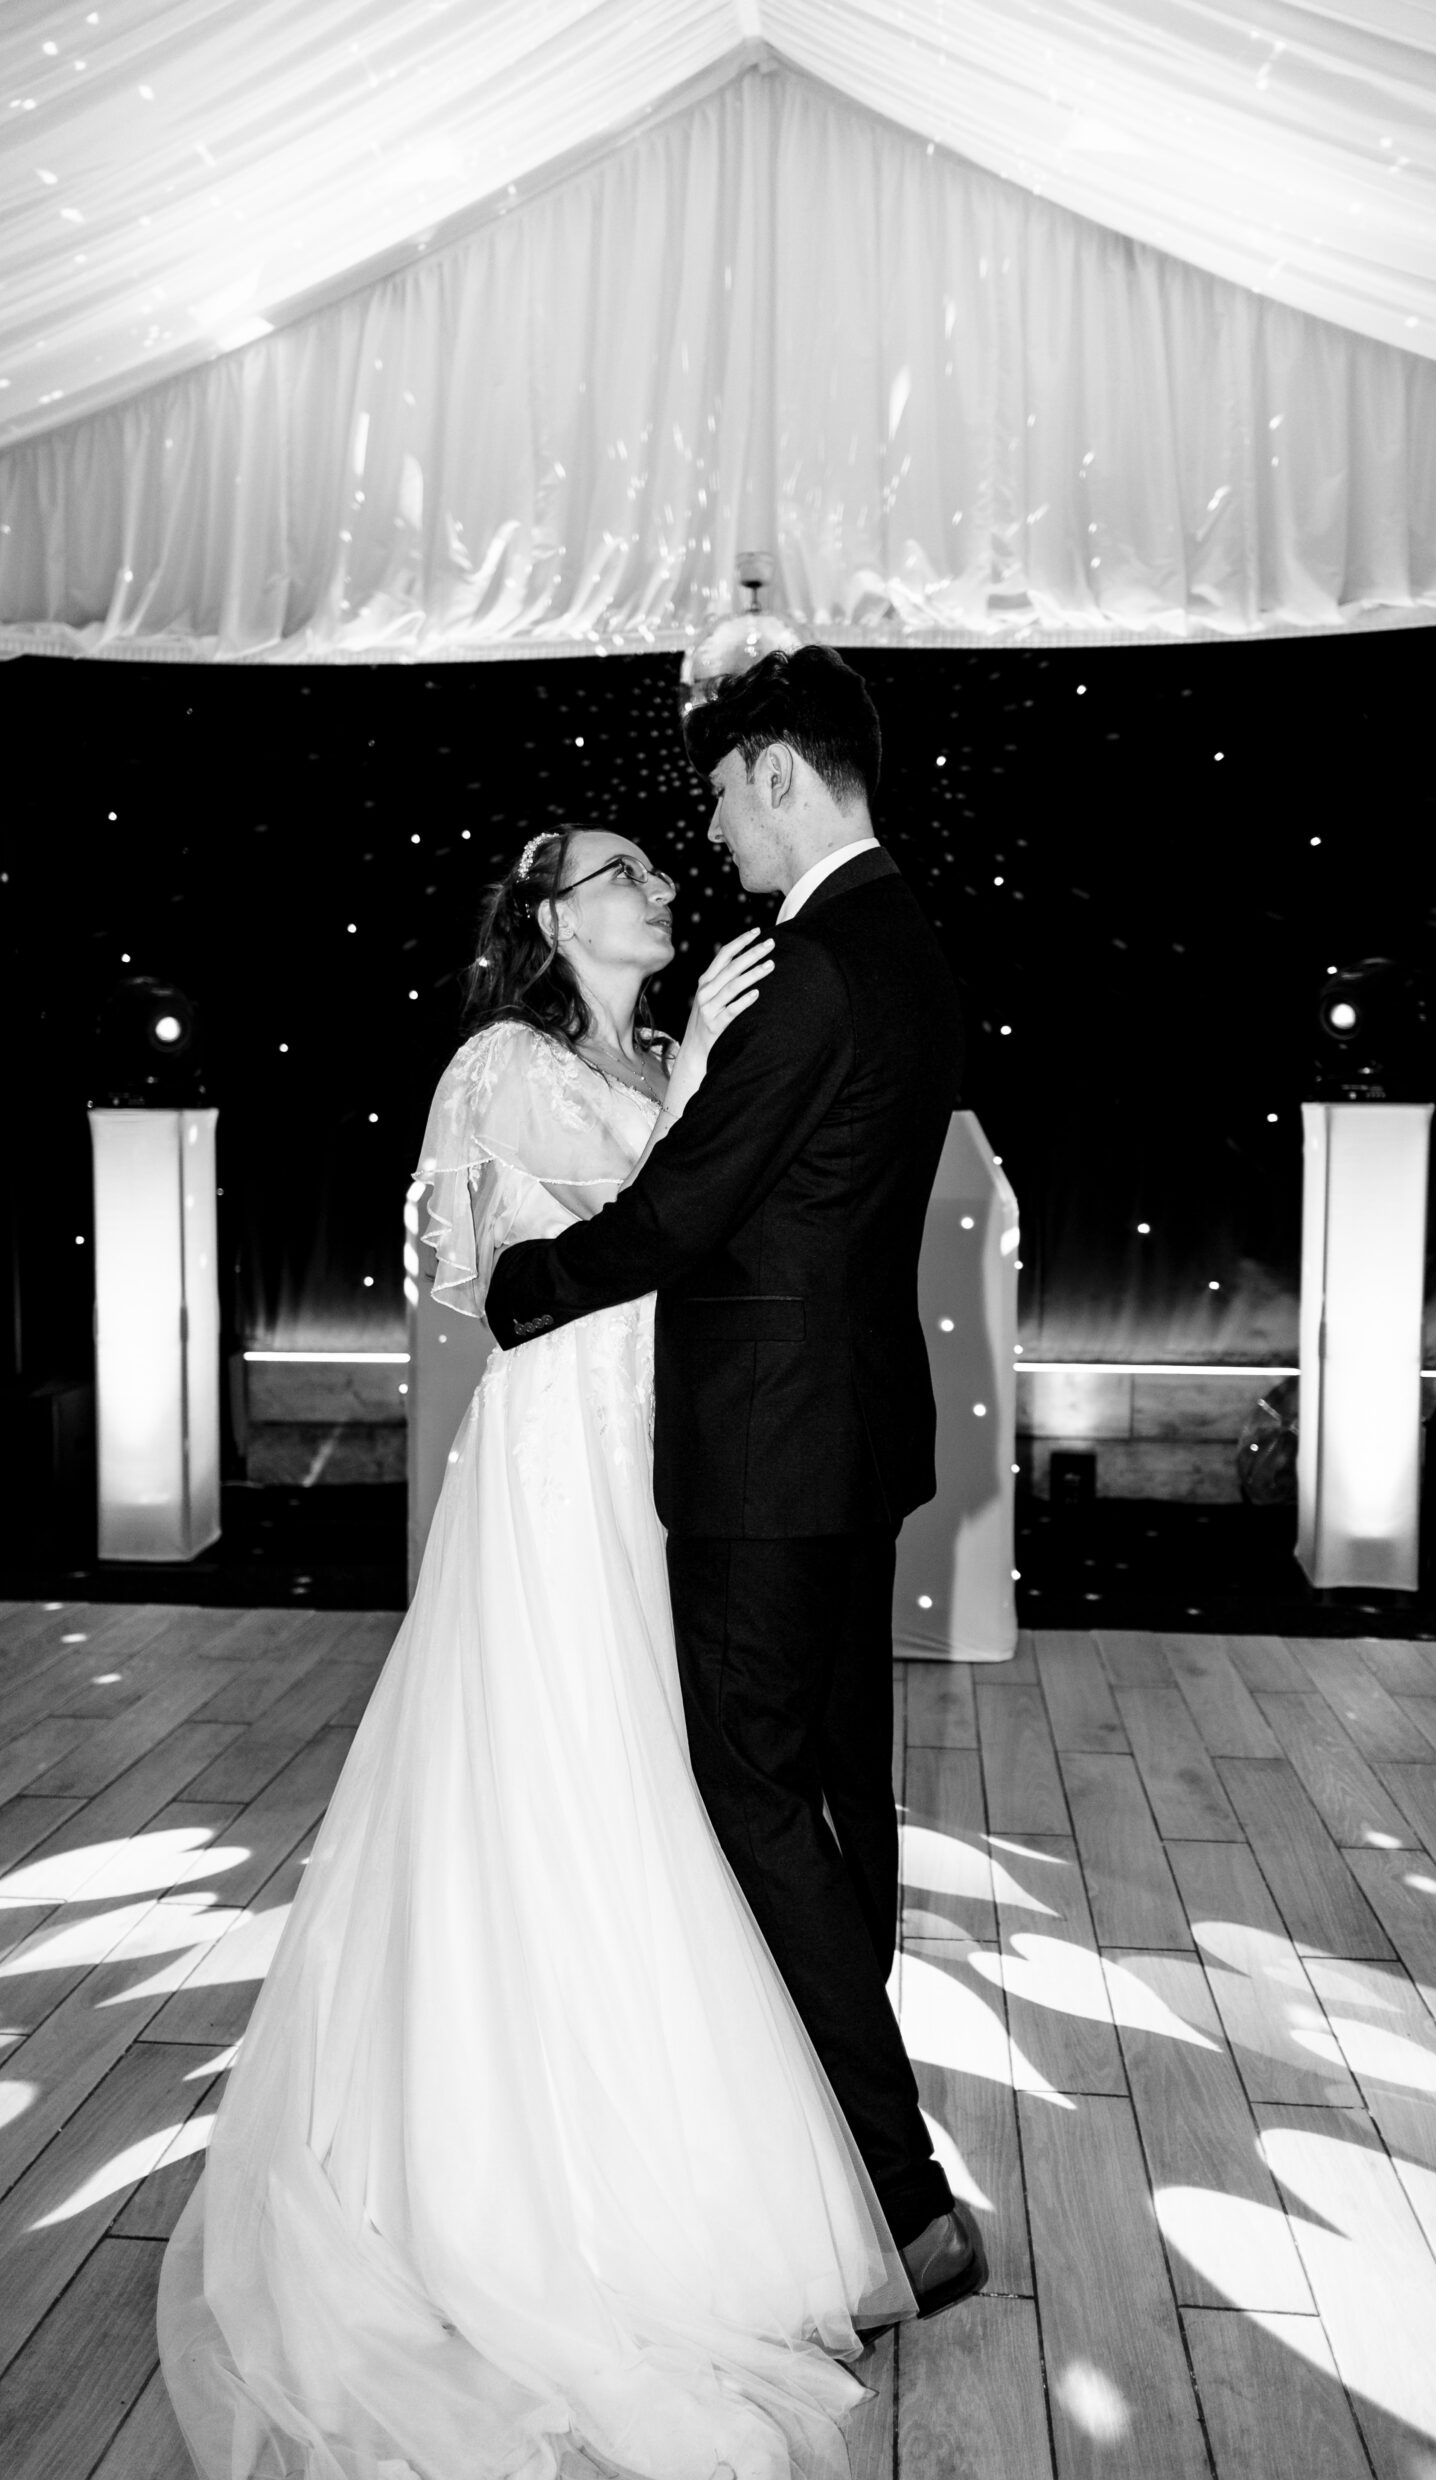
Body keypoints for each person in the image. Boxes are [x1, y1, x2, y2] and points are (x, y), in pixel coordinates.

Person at [157, 812, 919, 2480]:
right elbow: (458, 1278)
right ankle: (521, 2192)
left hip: (673, 1467)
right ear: (552, 921)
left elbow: (710, 1221)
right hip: (558, 1463)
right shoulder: (500, 1061)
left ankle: (682, 2161)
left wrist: (708, 1069)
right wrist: (640, 1158)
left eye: (662, 867)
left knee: (671, 1784)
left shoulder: (671, 1050)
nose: (663, 890)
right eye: (626, 876)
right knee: (558, 1779)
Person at [485, 645, 978, 2311]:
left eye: (714, 793)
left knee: (756, 1796)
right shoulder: (899, 939)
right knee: (840, 1795)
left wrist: (530, 1288)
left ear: (778, 770)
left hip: (765, 1453)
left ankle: (900, 2189)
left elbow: (689, 1207)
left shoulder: (812, 966)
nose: (708, 831)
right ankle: (839, 2147)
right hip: (850, 1434)